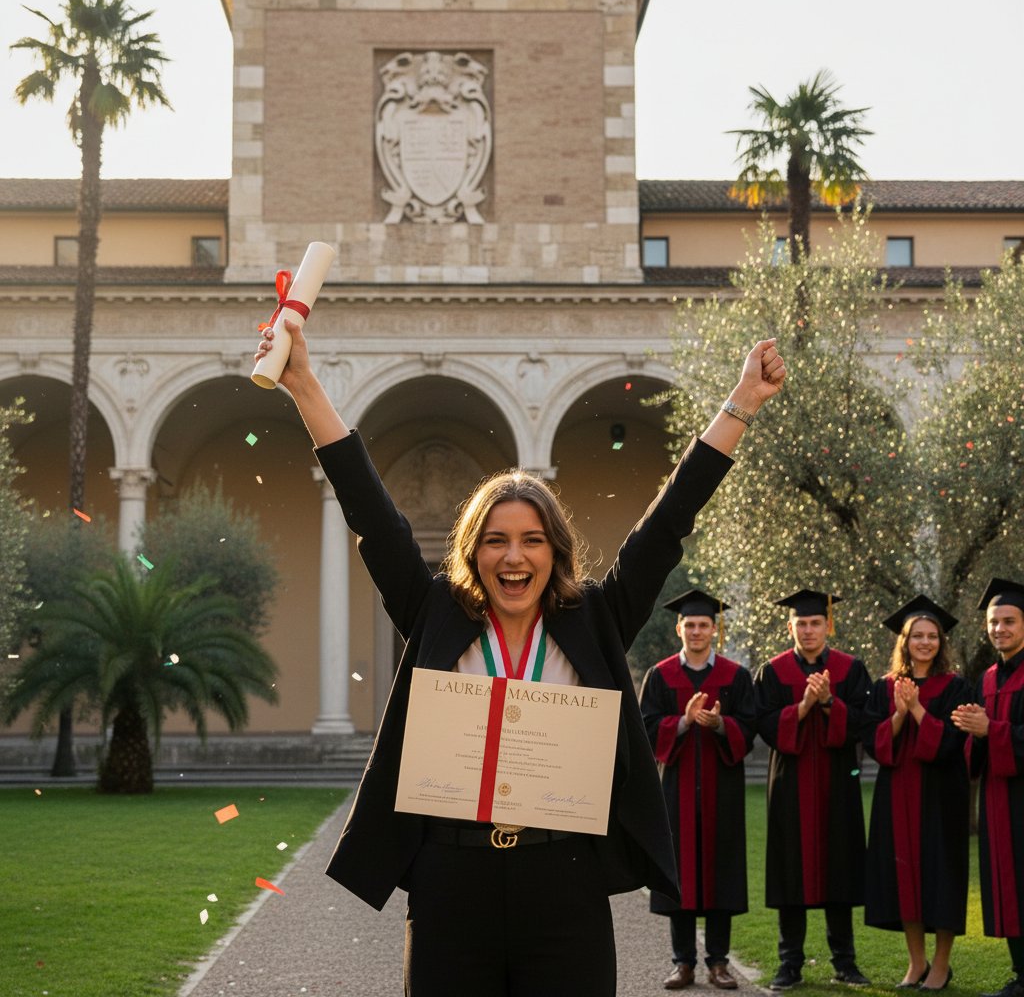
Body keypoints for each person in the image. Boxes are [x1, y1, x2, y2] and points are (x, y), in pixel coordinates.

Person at [254, 318, 785, 997]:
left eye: (532, 540)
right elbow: (372, 515)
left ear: (555, 551)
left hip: (564, 879)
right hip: (451, 881)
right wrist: (303, 384)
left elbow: (667, 523)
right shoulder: (435, 612)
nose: (514, 556)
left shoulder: (595, 618)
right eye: (496, 540)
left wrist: (741, 402)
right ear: (473, 551)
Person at [754, 589, 873, 990]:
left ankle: (845, 962)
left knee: (840, 868)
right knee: (790, 872)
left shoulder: (850, 669)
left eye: (815, 623)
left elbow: (862, 723)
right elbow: (765, 726)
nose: (808, 630)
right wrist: (805, 705)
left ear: (828, 625)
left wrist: (829, 703)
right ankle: (790, 963)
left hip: (838, 785)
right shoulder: (772, 672)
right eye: (801, 623)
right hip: (790, 785)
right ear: (790, 627)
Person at [639, 589, 756, 991]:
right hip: (676, 791)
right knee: (680, 875)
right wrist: (684, 722)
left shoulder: (736, 676)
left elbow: (751, 727)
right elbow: (645, 728)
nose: (696, 631)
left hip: (723, 792)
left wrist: (720, 724)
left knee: (721, 873)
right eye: (689, 625)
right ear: (679, 629)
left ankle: (719, 963)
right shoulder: (660, 676)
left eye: (703, 625)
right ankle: (683, 963)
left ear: (714, 630)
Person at [862, 595, 970, 991]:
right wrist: (900, 712)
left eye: (932, 636)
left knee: (942, 876)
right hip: (896, 794)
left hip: (942, 796)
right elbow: (874, 744)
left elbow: (953, 744)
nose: (925, 643)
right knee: (903, 871)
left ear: (941, 642)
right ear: (904, 642)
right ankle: (917, 962)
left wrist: (919, 709)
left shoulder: (956, 687)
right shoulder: (884, 687)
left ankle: (941, 964)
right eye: (917, 636)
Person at [951, 577, 1024, 997]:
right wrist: (974, 732)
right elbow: (976, 748)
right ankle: (1021, 974)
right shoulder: (988, 679)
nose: (1000, 629)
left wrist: (989, 730)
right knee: (1009, 886)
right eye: (994, 622)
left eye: (1009, 621)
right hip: (999, 800)